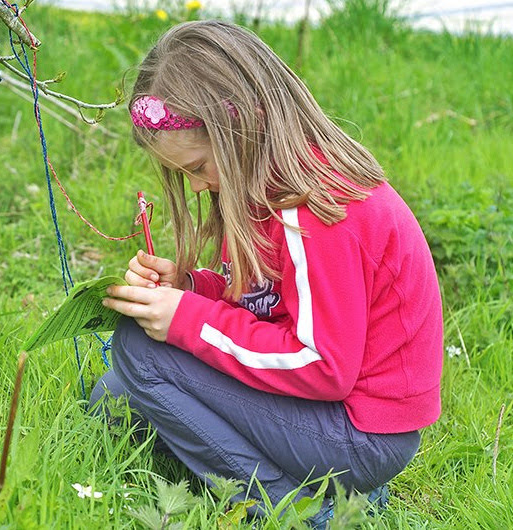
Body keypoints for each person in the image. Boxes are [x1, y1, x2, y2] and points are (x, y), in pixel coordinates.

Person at [89, 20, 443, 528]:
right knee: (114, 397)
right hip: (335, 420)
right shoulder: (266, 185)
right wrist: (190, 288)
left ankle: (298, 510)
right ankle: (328, 491)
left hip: (361, 434)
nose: (194, 187)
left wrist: (186, 320)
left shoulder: (312, 212)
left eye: (196, 167)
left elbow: (321, 365)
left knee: (139, 353)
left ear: (240, 131)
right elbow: (267, 301)